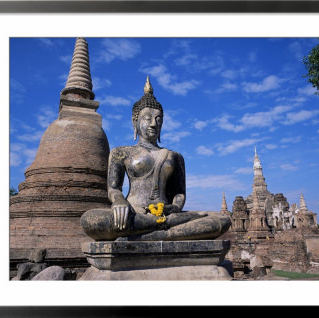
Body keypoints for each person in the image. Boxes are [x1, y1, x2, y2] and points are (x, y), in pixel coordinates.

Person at [81, 77, 231, 241]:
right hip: (134, 213)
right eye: (147, 118)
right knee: (92, 220)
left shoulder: (174, 156)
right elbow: (113, 189)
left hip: (167, 215)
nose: (154, 123)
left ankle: (153, 230)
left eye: (158, 119)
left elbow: (179, 193)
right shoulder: (121, 153)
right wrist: (119, 202)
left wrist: (174, 208)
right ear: (135, 122)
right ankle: (164, 231)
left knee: (221, 220)